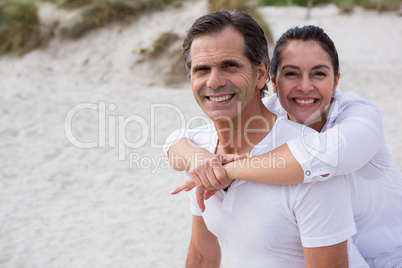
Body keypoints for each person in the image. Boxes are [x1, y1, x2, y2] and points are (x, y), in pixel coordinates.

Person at [165, 14, 402, 268]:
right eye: (202, 69)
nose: (304, 87)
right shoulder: (206, 153)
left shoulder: (346, 134)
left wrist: (225, 170)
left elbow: (325, 157)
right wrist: (199, 159)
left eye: (230, 66)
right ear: (274, 82)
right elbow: (202, 256)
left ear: (260, 75)